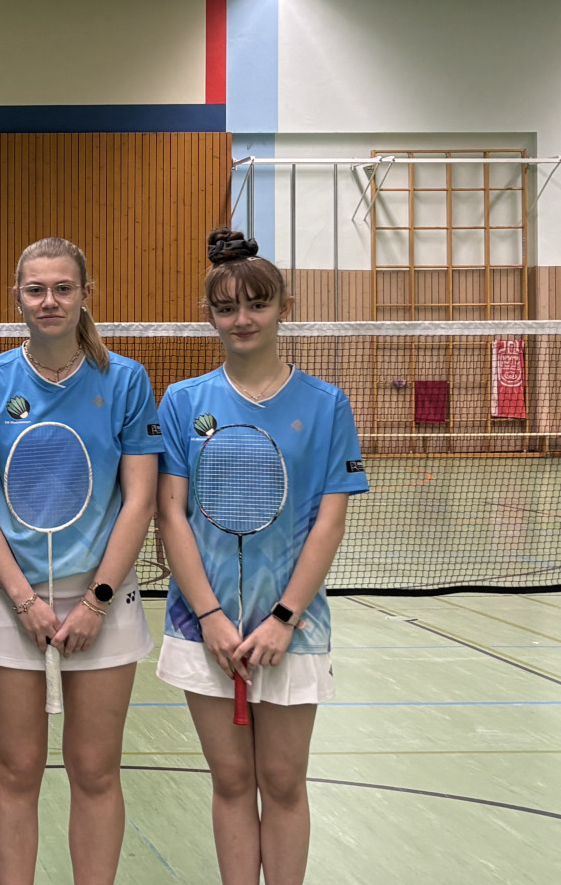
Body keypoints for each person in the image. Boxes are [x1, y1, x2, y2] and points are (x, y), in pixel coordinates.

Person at [155, 228, 368, 885]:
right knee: (229, 780)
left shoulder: (327, 403)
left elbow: (329, 520)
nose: (241, 319)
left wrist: (283, 617)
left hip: (293, 628)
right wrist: (213, 616)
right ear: (210, 316)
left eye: (257, 304)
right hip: (202, 626)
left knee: (282, 782)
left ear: (283, 306)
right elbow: (170, 516)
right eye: (226, 308)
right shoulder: (184, 402)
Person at [0, 237, 161, 885]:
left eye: (62, 289)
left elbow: (140, 499)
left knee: (96, 771)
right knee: (14, 770)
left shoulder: (124, 380)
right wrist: (23, 600)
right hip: (12, 599)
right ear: (16, 297)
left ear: (84, 296)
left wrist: (97, 601)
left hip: (102, 601)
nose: (49, 301)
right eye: (36, 289)